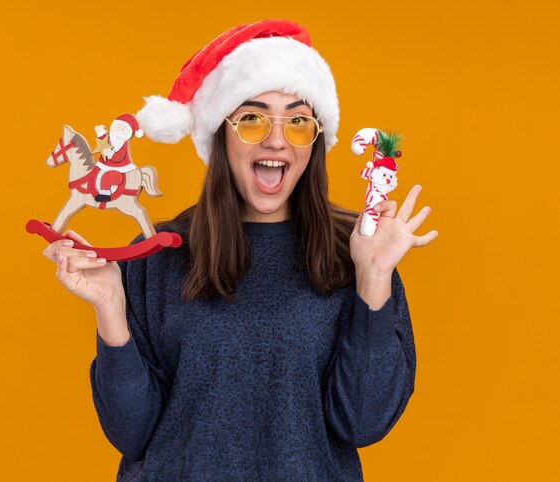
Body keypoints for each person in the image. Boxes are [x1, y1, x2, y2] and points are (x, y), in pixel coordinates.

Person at [43, 19, 438, 481]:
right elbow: (132, 435)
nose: (275, 139)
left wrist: (373, 278)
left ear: (315, 140)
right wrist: (111, 307)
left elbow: (363, 423)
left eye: (297, 121)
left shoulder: (358, 253)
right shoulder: (159, 254)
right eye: (251, 118)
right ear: (221, 133)